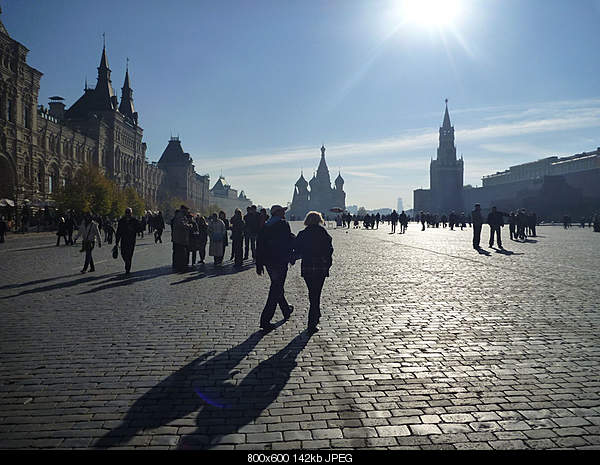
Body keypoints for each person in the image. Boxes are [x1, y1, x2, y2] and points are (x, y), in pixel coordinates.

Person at [256, 205, 295, 332]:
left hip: (269, 262)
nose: (284, 212)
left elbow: (260, 244)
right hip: (280, 261)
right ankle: (265, 320)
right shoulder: (283, 224)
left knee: (277, 285)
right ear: (277, 213)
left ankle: (286, 310)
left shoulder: (266, 226)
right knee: (276, 289)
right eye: (282, 211)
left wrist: (259, 263)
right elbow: (288, 241)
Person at [294, 211, 333, 333]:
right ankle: (312, 321)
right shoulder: (322, 232)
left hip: (307, 267)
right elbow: (329, 249)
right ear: (319, 220)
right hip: (320, 267)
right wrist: (327, 263)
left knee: (312, 293)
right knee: (316, 294)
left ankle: (315, 315)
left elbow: (297, 249)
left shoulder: (302, 233)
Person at [115, 208, 143, 275]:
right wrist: (117, 241)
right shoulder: (121, 221)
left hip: (131, 240)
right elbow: (118, 231)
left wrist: (135, 229)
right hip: (123, 240)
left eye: (129, 213)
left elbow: (139, 228)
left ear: (131, 213)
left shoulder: (134, 220)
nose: (128, 214)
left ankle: (128, 268)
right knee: (123, 253)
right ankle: (127, 262)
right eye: (127, 213)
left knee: (129, 254)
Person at [171, 206, 192, 271]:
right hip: (180, 239)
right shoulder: (180, 216)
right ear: (184, 210)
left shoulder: (180, 215)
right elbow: (182, 225)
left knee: (178, 253)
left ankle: (178, 265)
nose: (188, 212)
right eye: (187, 211)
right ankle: (181, 266)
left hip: (179, 238)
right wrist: (189, 226)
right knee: (181, 253)